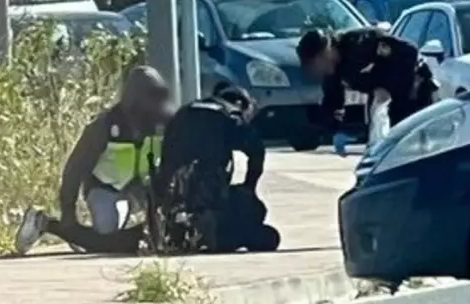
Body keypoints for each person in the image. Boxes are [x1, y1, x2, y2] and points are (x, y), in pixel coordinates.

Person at [13, 65, 174, 256]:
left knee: (159, 234)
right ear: (134, 100)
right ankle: (46, 222)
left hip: (143, 189)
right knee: (107, 237)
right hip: (105, 188)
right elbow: (75, 169)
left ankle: (84, 237)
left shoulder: (166, 122)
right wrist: (68, 214)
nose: (156, 104)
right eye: (151, 97)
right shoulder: (105, 126)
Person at [154, 85, 279, 253]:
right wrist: (249, 187)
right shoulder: (232, 114)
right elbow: (257, 151)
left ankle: (179, 231)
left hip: (174, 198)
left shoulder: (183, 112)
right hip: (208, 197)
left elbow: (166, 160)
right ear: (241, 103)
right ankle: (212, 234)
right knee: (256, 211)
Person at [296, 27, 439, 150]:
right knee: (390, 149)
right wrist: (339, 130)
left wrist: (385, 86)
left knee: (418, 148)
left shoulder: (361, 45)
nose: (314, 70)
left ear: (325, 52)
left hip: (415, 89)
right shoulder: (333, 72)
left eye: (313, 64)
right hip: (389, 105)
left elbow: (410, 52)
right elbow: (331, 105)